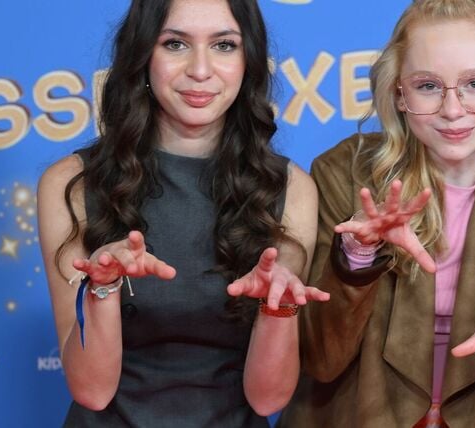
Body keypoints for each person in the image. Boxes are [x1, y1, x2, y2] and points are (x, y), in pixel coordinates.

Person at [278, 1, 475, 426]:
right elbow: (320, 359)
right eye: (427, 86)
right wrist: (357, 259)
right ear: (399, 94)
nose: (452, 109)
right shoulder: (344, 173)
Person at [37, 0, 328, 425]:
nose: (200, 69)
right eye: (175, 44)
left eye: (225, 45)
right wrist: (103, 288)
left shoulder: (291, 189)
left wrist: (275, 309)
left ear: (248, 59)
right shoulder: (73, 184)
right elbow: (91, 391)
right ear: (142, 55)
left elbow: (269, 399)